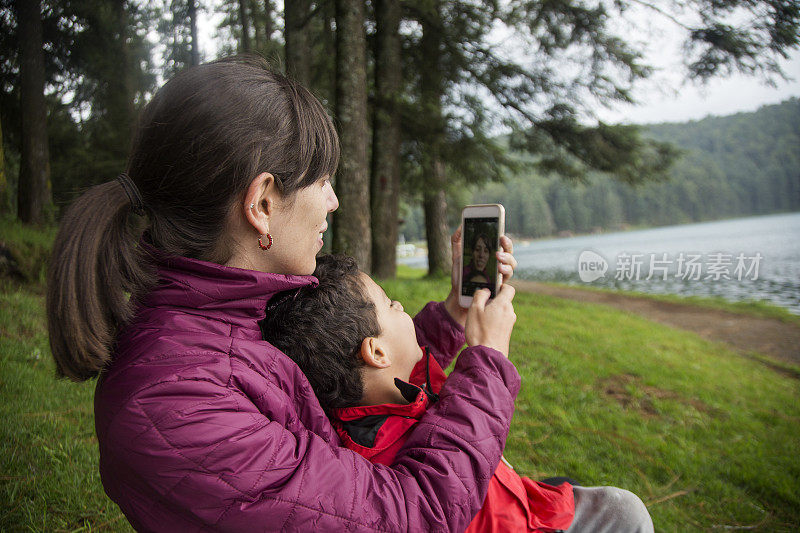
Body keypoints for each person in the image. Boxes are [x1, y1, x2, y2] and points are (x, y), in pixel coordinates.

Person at [45, 55, 520, 531]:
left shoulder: (240, 313)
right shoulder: (178, 403)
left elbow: (358, 371)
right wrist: (488, 364)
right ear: (263, 204)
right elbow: (411, 516)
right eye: (323, 180)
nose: (332, 201)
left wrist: (456, 314)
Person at [262, 255, 655, 533]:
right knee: (626, 512)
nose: (403, 308)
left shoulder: (364, 405)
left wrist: (454, 309)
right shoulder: (379, 458)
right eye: (393, 304)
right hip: (513, 522)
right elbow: (456, 449)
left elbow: (408, 359)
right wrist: (488, 357)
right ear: (376, 352)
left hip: (519, 503)